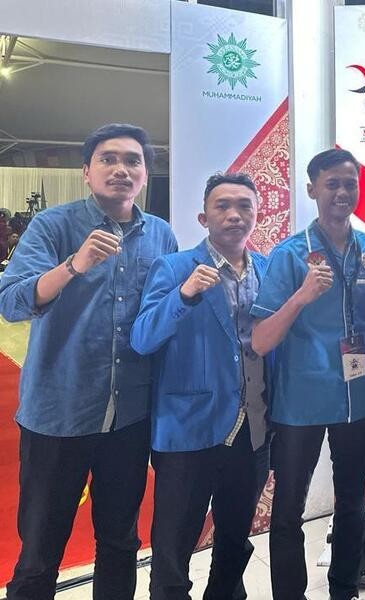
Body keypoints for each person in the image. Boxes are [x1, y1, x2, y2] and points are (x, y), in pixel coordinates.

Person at [0, 123, 178, 599]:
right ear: (86, 171)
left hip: (129, 418)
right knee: (40, 550)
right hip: (59, 414)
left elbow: (163, 315)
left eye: (132, 160)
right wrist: (73, 266)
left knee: (120, 541)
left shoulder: (161, 235)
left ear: (145, 174)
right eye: (107, 159)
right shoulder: (53, 226)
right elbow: (11, 302)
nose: (121, 169)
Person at [131, 172, 271, 600]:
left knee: (235, 537)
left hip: (253, 427)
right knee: (174, 545)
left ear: (257, 214)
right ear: (203, 218)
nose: (234, 214)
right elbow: (143, 338)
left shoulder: (267, 269)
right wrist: (184, 295)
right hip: (188, 427)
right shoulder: (175, 268)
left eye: (244, 206)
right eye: (222, 206)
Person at [250, 148, 365, 600]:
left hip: (356, 397)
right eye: (332, 184)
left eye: (350, 183)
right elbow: (260, 339)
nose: (342, 192)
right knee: (289, 508)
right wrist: (302, 297)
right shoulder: (290, 255)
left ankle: (344, 588)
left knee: (352, 500)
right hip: (300, 401)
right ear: (312, 190)